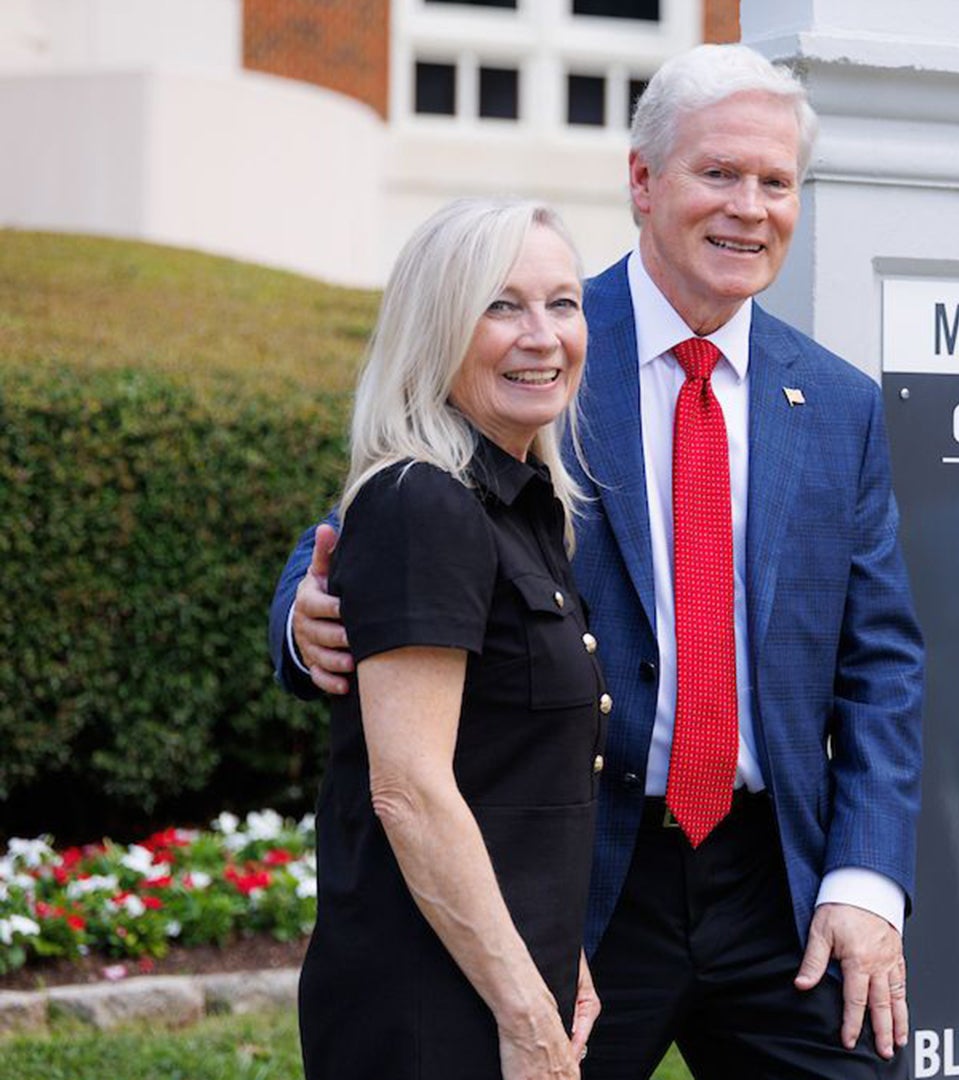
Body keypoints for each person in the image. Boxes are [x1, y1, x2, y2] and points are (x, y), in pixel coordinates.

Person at [270, 45, 925, 1079]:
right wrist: (301, 619)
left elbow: (883, 661)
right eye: (718, 174)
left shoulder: (837, 404)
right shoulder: (542, 343)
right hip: (581, 882)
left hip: (775, 885)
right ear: (641, 182)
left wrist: (865, 882)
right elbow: (394, 510)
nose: (748, 208)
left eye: (774, 182)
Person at [293, 197, 604, 1080]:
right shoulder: (423, 503)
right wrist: (524, 1013)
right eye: (500, 306)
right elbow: (411, 792)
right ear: (436, 328)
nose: (542, 335)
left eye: (563, 303)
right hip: (432, 1006)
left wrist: (557, 953)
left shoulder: (526, 502)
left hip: (500, 971)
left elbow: (509, 771)